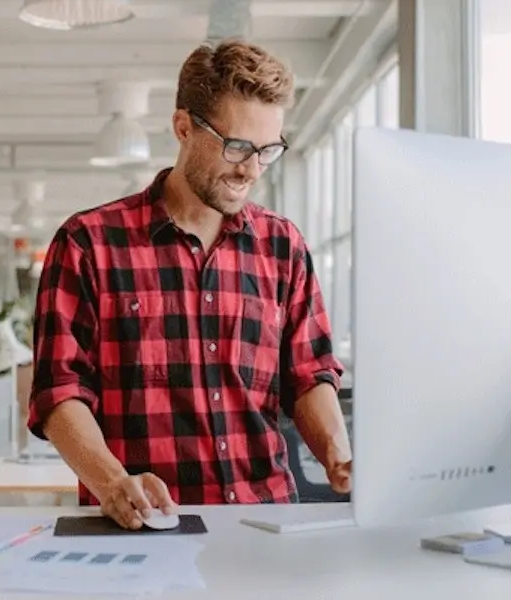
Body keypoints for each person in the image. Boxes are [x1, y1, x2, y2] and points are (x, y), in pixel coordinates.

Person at [27, 39, 351, 530]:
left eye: (268, 151)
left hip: (265, 524)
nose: (251, 168)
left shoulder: (283, 246)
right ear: (184, 128)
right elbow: (59, 391)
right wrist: (113, 481)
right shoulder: (88, 243)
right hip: (144, 527)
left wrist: (339, 455)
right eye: (238, 146)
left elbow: (309, 374)